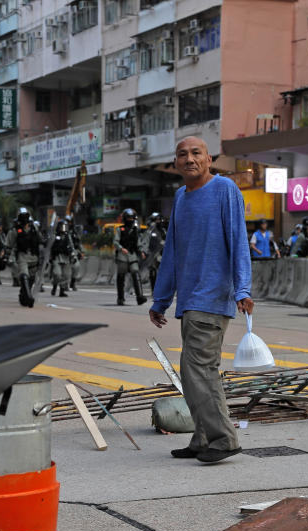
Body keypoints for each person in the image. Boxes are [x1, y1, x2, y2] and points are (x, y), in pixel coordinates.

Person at [149, 136, 253, 464]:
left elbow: (238, 240)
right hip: (190, 299)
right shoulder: (181, 197)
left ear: (209, 159)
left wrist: (243, 289)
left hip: (212, 295)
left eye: (196, 153)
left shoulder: (224, 189)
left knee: (200, 370)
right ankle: (203, 437)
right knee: (192, 371)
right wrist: (161, 299)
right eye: (182, 154)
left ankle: (224, 439)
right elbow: (173, 253)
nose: (189, 159)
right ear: (175, 163)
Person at [113, 208, 147, 305]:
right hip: (122, 256)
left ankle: (139, 296)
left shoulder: (136, 230)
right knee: (121, 277)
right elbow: (115, 241)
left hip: (132, 256)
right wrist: (121, 248)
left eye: (132, 218)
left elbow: (138, 243)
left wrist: (141, 251)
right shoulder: (120, 229)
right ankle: (120, 298)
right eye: (128, 218)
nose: (130, 220)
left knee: (136, 274)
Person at [8, 208, 38, 308]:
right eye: (22, 215)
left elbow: (41, 239)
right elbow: (9, 245)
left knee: (31, 279)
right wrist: (7, 257)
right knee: (24, 276)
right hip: (22, 256)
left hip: (34, 256)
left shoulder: (34, 227)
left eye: (26, 215)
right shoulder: (15, 230)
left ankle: (23, 295)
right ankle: (29, 297)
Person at [49, 220, 73, 298]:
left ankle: (62, 290)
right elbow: (49, 247)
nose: (64, 228)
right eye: (62, 226)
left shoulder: (67, 236)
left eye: (65, 226)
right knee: (57, 274)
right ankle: (55, 285)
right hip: (57, 258)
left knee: (66, 275)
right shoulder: (54, 236)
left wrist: (73, 255)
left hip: (65, 258)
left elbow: (71, 246)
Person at [144, 211, 167, 290]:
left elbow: (166, 239)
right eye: (156, 220)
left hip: (162, 253)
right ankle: (153, 289)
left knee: (163, 271)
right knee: (153, 270)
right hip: (152, 253)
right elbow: (147, 241)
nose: (158, 221)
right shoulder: (150, 231)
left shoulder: (163, 230)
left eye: (159, 219)